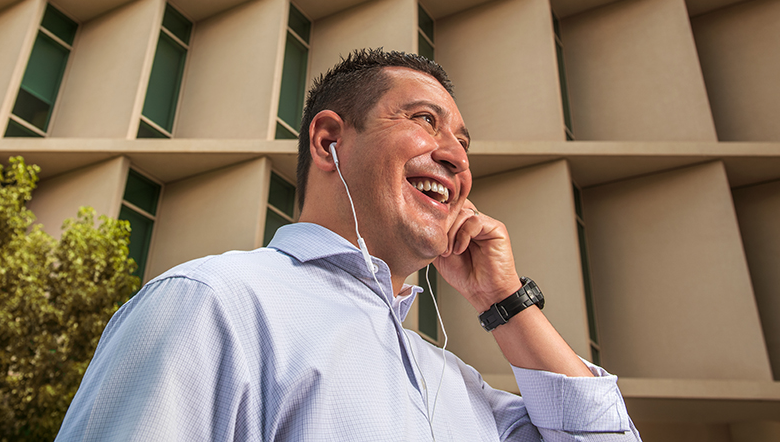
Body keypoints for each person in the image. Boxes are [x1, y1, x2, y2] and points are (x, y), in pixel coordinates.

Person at [56, 49, 641, 441]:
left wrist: (505, 301)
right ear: (329, 140)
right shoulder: (213, 303)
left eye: (463, 142)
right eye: (424, 120)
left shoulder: (453, 383)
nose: (457, 157)